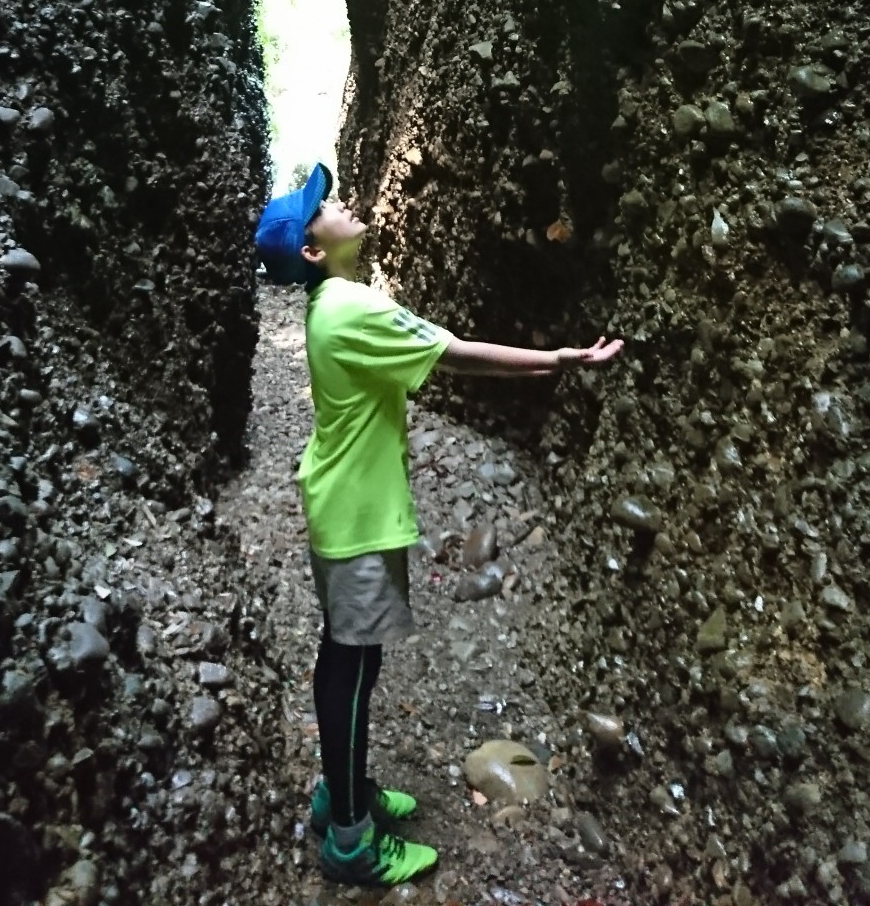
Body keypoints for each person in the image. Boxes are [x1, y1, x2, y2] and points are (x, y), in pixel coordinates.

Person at [255, 161, 624, 889]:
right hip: (358, 518)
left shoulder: (329, 305)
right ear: (311, 251)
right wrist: (556, 358)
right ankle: (353, 842)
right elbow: (455, 355)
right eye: (323, 207)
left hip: (343, 507)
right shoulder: (353, 307)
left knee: (346, 659)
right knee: (353, 671)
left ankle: (342, 793)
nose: (339, 204)